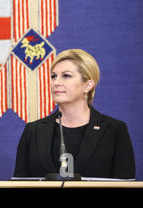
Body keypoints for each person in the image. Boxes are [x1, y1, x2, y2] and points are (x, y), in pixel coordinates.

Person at [13, 49, 135, 179]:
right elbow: (21, 182)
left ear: (87, 85)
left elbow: (125, 183)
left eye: (66, 76)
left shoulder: (115, 130)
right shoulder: (33, 131)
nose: (56, 82)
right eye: (53, 76)